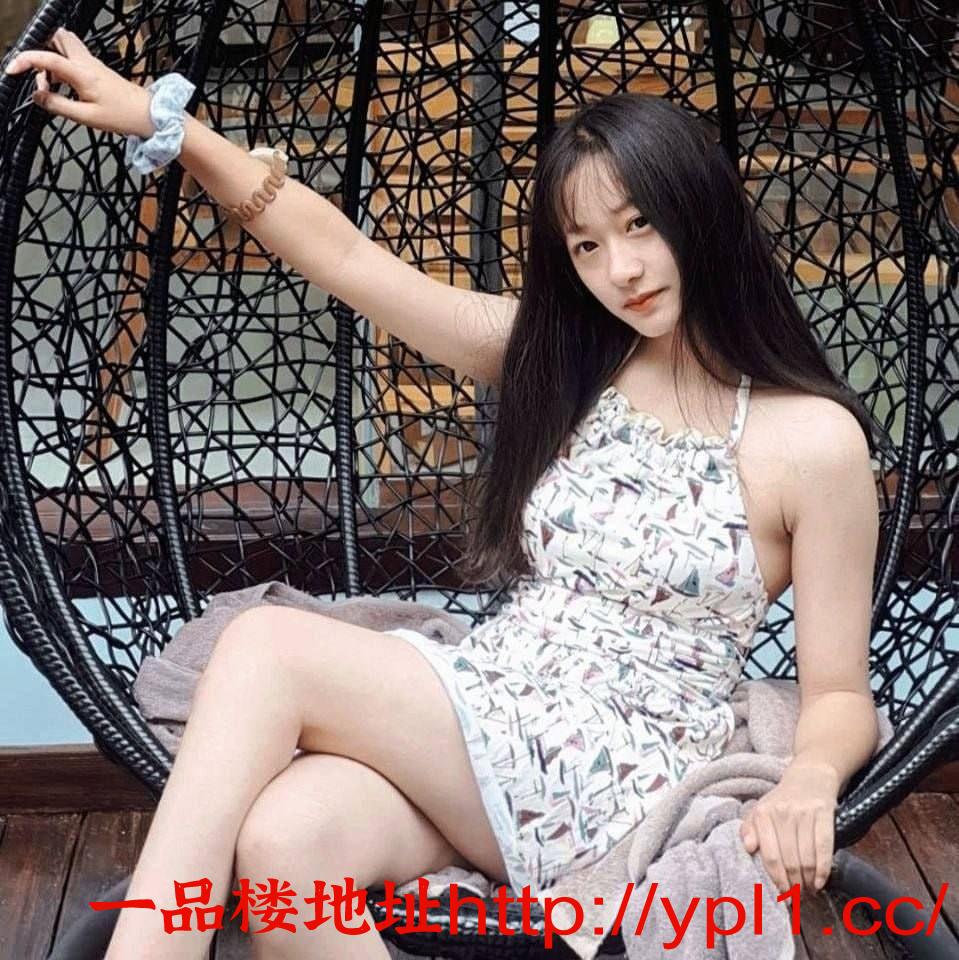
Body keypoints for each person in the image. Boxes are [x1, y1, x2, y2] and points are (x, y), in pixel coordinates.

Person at [6, 27, 882, 960]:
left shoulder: (810, 441)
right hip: (494, 705)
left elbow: (839, 692)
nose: (619, 270)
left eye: (639, 226)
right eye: (586, 246)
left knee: (266, 647)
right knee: (285, 845)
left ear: (698, 212)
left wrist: (808, 780)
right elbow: (349, 260)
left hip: (618, 763)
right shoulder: (566, 360)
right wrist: (172, 128)